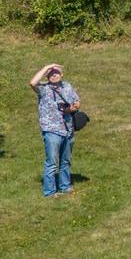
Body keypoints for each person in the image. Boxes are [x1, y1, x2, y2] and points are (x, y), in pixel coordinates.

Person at [30, 63, 80, 197]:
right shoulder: (44, 89)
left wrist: (70, 109)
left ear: (61, 75)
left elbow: (77, 102)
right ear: (47, 76)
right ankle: (50, 192)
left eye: (56, 72)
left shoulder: (68, 87)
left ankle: (64, 186)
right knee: (52, 162)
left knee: (65, 161)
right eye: (50, 73)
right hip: (51, 130)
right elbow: (32, 83)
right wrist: (47, 67)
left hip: (68, 129)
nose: (53, 75)